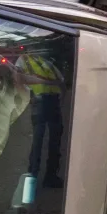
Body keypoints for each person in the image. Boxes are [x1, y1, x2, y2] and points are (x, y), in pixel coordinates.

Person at [15, 48, 64, 188]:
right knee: (37, 141)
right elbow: (17, 79)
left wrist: (62, 99)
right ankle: (32, 178)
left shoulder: (47, 62)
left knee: (55, 141)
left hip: (53, 103)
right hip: (38, 103)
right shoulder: (23, 59)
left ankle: (50, 177)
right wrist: (26, 98)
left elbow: (60, 82)